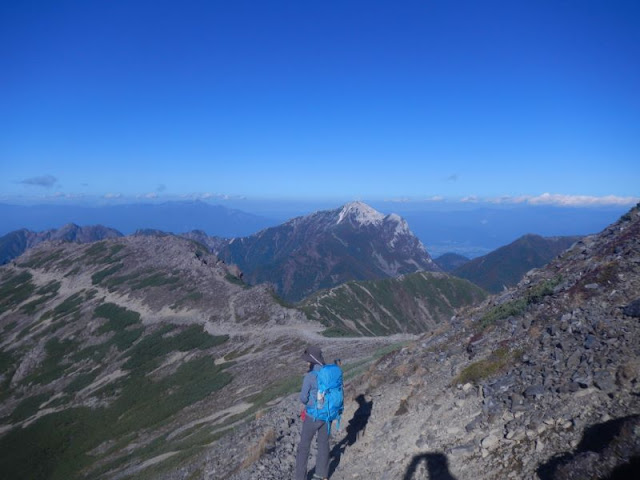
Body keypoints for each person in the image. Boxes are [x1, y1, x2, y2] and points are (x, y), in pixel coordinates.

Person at [295, 345, 330, 480]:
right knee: (323, 444)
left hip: (312, 416)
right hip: (327, 415)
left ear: (313, 360)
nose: (307, 363)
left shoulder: (310, 376)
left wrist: (310, 400)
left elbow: (303, 398)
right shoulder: (328, 373)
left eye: (308, 360)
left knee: (304, 447)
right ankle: (322, 475)